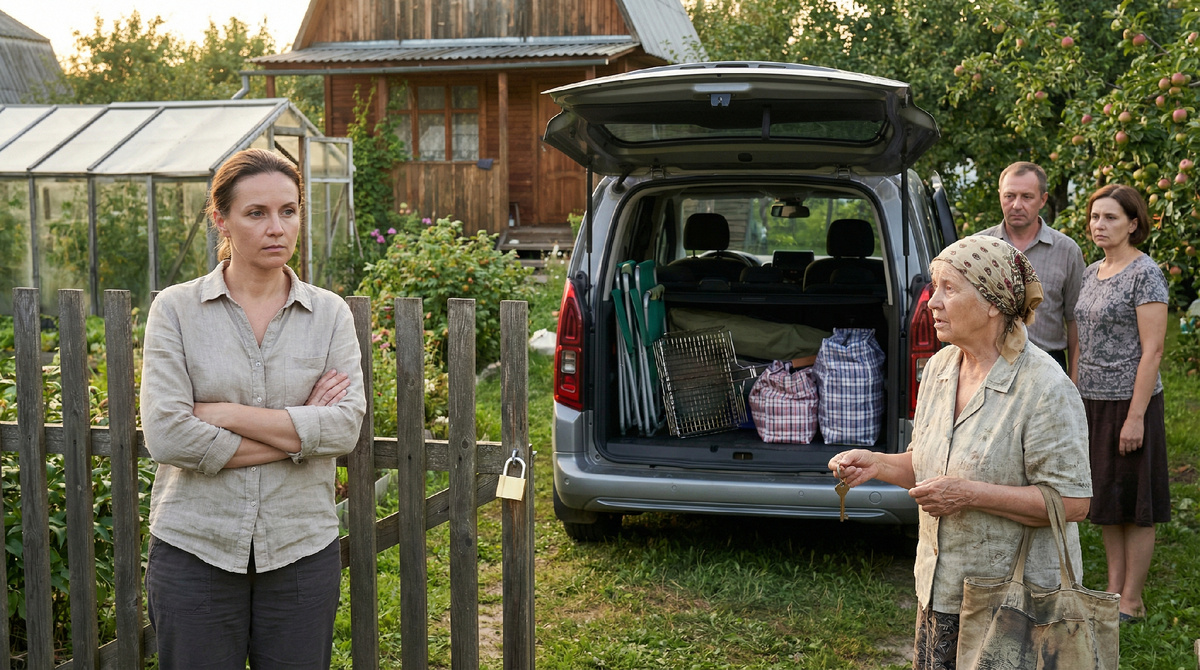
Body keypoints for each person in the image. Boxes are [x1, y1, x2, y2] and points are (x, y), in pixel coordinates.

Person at [140, 148, 366, 669]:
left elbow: (343, 430)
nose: (276, 228)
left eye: (288, 211)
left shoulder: (329, 314)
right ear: (221, 219)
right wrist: (300, 433)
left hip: (299, 549)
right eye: (256, 213)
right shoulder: (175, 310)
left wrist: (224, 414)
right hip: (195, 548)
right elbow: (168, 436)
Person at [828, 235, 1092, 668]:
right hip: (942, 591)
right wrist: (877, 464)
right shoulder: (939, 368)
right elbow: (930, 465)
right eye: (935, 288)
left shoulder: (1045, 387)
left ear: (993, 303)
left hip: (1013, 607)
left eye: (949, 289)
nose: (933, 302)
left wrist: (969, 495)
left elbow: (1073, 503)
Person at [1074, 184, 1169, 623]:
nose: (1099, 225)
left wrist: (1136, 417)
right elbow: (1081, 339)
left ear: (1133, 224)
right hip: (1093, 401)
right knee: (1107, 500)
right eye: (1095, 217)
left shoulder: (1145, 273)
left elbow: (1153, 351)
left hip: (1131, 402)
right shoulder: (1091, 271)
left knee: (1135, 503)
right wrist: (1074, 393)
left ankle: (1133, 599)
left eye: (1110, 217)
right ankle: (1113, 590)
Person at [979, 161, 1085, 377]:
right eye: (1009, 196)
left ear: (1043, 200)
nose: (1017, 205)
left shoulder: (1067, 251)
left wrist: (1074, 379)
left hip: (1049, 367)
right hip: (989, 365)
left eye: (1027, 197)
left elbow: (1076, 320)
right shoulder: (979, 248)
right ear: (1000, 196)